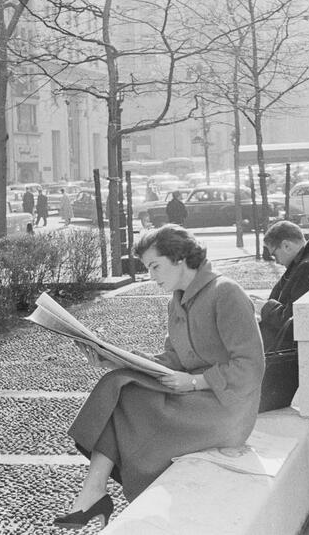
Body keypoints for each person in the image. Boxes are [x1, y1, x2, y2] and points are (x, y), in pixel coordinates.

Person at [56, 225, 264, 529]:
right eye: (147, 268)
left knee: (130, 400)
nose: (151, 275)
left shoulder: (226, 292)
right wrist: (113, 361)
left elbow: (251, 367)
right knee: (118, 384)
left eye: (155, 266)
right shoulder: (176, 300)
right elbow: (174, 359)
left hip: (228, 411)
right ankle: (93, 491)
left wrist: (195, 382)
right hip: (196, 397)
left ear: (180, 258)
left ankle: (94, 494)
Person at [256, 221, 309, 354]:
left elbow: (291, 321)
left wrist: (265, 307)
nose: (276, 261)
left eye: (274, 254)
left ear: (286, 246)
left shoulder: (308, 267)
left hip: (296, 354)